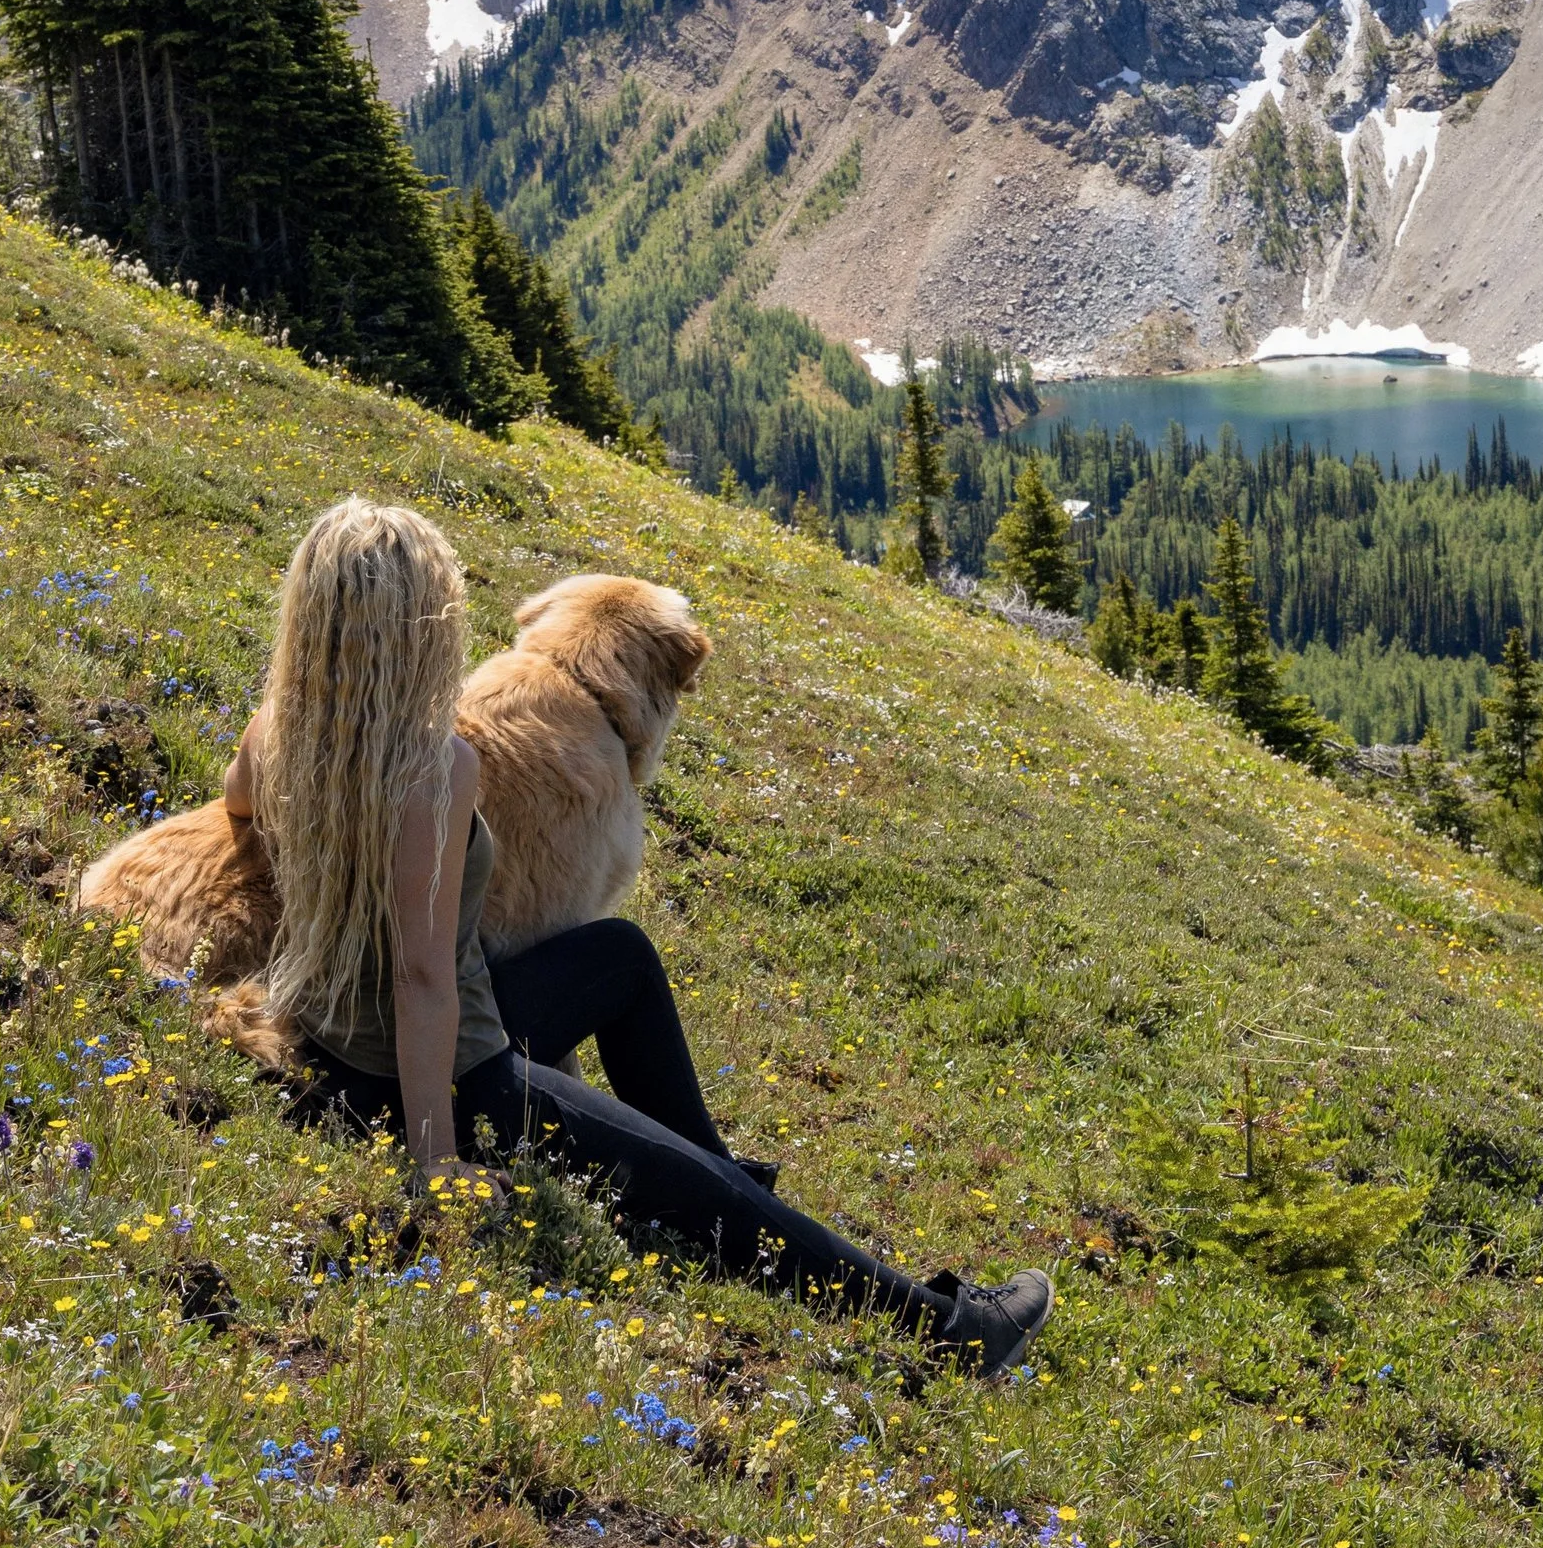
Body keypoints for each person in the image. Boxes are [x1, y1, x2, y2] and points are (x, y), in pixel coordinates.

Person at [224, 497, 1051, 1374]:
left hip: (338, 1033)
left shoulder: (281, 732)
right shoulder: (434, 769)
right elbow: (423, 981)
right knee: (699, 1192)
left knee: (620, 954)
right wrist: (436, 1160)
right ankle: (949, 1331)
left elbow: (239, 802)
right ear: (427, 623)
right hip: (439, 1069)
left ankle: (707, 1165)